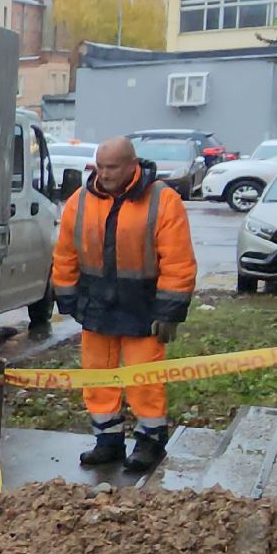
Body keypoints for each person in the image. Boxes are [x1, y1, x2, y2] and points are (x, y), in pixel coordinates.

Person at [51, 136, 197, 472]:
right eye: (100, 166)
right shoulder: (80, 201)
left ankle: (150, 441)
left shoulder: (162, 200)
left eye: (112, 167)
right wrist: (67, 296)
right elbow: (65, 253)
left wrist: (169, 312)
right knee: (97, 376)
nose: (104, 174)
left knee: (144, 379)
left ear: (133, 164)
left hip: (143, 307)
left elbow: (177, 261)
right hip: (97, 306)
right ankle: (108, 440)